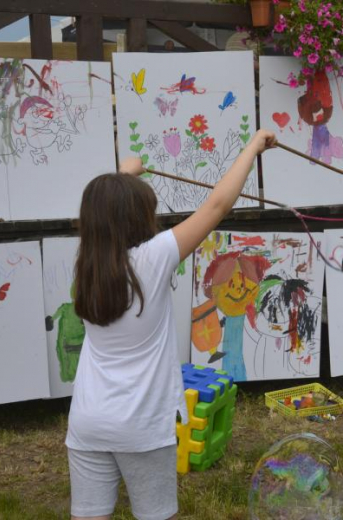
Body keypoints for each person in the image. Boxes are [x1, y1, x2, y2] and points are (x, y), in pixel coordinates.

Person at [66, 129, 277, 520]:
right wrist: (252, 147)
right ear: (137, 217)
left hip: (87, 422)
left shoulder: (88, 264)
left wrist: (124, 175)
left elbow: (106, 213)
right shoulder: (154, 257)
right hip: (142, 426)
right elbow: (217, 205)